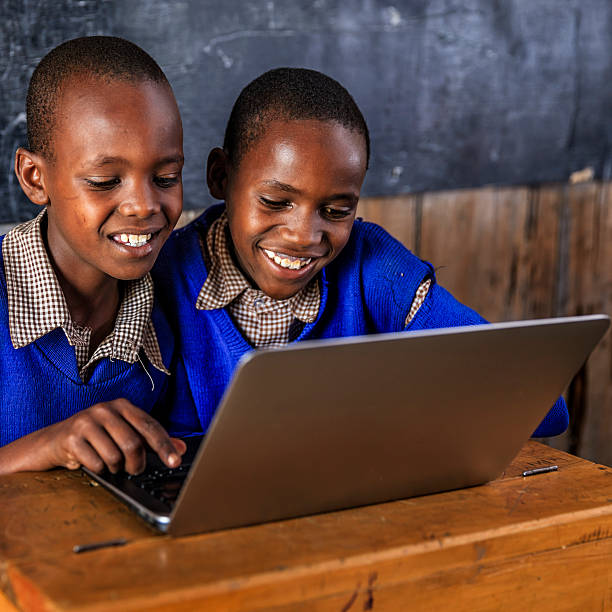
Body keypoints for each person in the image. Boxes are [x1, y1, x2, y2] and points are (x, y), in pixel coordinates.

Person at [153, 67, 568, 438]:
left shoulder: (376, 269)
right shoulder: (162, 277)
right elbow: (111, 428)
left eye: (336, 210)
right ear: (220, 177)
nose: (303, 236)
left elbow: (542, 408)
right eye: (276, 203)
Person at [0, 36, 186, 474]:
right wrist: (46, 447)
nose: (144, 206)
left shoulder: (174, 304)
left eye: (166, 177)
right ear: (34, 177)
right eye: (104, 181)